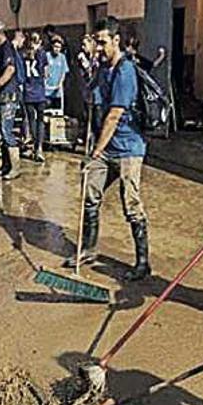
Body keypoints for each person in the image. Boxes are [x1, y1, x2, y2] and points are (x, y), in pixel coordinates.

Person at [63, 16, 150, 281]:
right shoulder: (103, 68)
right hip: (107, 144)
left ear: (116, 40)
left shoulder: (125, 71)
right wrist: (86, 67)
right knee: (91, 193)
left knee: (131, 204)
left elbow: (113, 115)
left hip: (127, 148)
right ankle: (88, 248)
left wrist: (94, 153)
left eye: (102, 43)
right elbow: (91, 97)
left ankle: (143, 263)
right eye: (96, 43)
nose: (99, 48)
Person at [0, 19, 22, 180]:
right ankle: (5, 165)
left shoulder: (7, 48)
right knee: (1, 130)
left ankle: (15, 167)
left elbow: (10, 69)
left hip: (8, 96)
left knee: (7, 131)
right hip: (0, 97)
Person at [22, 32, 48, 163]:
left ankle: (34, 146)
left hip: (28, 91)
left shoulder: (24, 55)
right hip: (39, 91)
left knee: (31, 119)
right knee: (40, 120)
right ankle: (39, 148)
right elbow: (46, 73)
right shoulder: (42, 54)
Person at [45, 37, 69, 111]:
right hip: (47, 89)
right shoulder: (47, 56)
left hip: (57, 90)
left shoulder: (62, 57)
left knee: (57, 111)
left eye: (59, 47)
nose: (57, 49)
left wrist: (60, 83)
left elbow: (63, 72)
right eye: (55, 47)